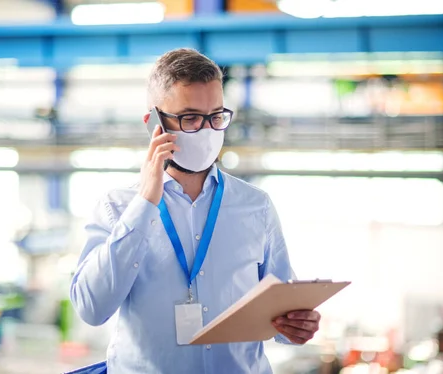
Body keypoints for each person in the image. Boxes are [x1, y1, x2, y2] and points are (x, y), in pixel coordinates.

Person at [70, 48, 321, 374]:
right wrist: (145, 203)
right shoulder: (117, 207)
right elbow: (91, 308)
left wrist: (298, 326)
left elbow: (283, 313)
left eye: (216, 117)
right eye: (190, 118)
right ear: (154, 123)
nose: (206, 131)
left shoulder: (255, 206)